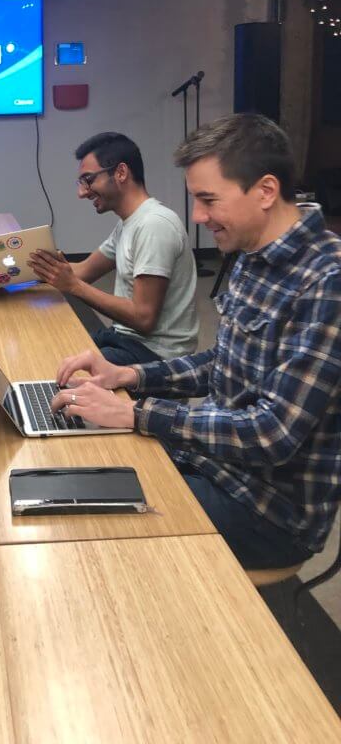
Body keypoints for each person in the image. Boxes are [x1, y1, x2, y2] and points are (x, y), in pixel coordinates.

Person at [50, 114, 341, 569]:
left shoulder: (328, 280)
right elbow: (219, 361)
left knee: (95, 532)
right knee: (81, 466)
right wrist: (128, 374)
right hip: (216, 463)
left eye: (208, 201)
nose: (199, 217)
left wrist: (137, 411)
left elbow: (272, 434)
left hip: (267, 512)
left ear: (265, 191)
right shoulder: (251, 249)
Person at [30, 132, 198, 364]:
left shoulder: (154, 225)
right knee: (51, 347)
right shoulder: (130, 223)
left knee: (56, 369)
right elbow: (83, 271)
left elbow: (143, 318)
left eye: (88, 180)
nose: (82, 192)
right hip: (127, 338)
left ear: (121, 172)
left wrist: (73, 286)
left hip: (157, 355)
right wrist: (31, 268)